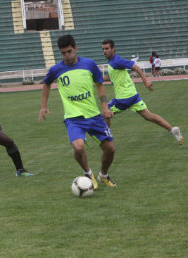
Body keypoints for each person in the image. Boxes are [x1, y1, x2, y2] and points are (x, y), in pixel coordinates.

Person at [39, 35, 116, 189]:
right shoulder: (56, 69)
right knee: (78, 147)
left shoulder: (89, 64)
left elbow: (100, 84)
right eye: (63, 53)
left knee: (110, 149)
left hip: (93, 115)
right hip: (73, 118)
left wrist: (105, 107)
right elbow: (46, 84)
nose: (66, 56)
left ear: (75, 48)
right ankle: (88, 173)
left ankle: (103, 175)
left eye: (69, 51)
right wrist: (43, 106)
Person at [101, 39, 183, 145]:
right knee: (148, 116)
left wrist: (145, 81)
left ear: (113, 48)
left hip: (124, 97)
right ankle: (173, 130)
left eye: (107, 48)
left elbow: (136, 67)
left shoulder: (117, 61)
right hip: (133, 95)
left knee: (105, 113)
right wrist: (98, 79)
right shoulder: (113, 62)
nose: (104, 51)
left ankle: (107, 140)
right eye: (103, 49)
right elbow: (112, 77)